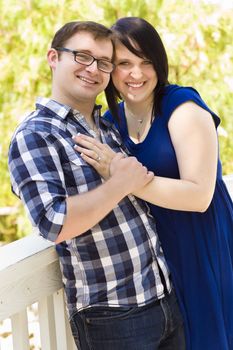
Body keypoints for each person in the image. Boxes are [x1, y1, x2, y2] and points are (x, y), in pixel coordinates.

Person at [8, 20, 185, 350]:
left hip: (164, 297)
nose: (94, 69)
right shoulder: (35, 135)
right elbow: (53, 222)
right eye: (82, 56)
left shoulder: (107, 126)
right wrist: (121, 182)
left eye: (104, 62)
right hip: (113, 316)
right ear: (53, 57)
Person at [73, 17, 233, 350]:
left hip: (201, 241)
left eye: (146, 62)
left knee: (209, 336)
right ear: (109, 70)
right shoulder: (108, 121)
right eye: (124, 64)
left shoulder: (182, 107)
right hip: (155, 255)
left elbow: (200, 195)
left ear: (159, 64)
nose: (136, 74)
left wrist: (123, 176)